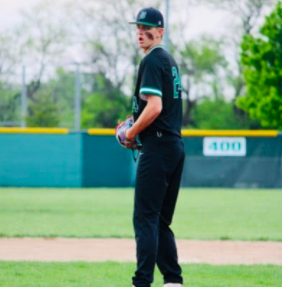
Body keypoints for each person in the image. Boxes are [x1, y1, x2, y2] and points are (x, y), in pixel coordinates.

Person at [125, 7, 185, 287]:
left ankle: (142, 283)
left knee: (146, 217)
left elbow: (155, 106)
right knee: (159, 221)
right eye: (138, 26)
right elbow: (158, 108)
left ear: (160, 32)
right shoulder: (168, 61)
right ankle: (173, 281)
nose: (141, 32)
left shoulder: (152, 60)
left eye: (147, 27)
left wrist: (131, 133)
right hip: (173, 145)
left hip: (158, 146)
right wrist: (135, 122)